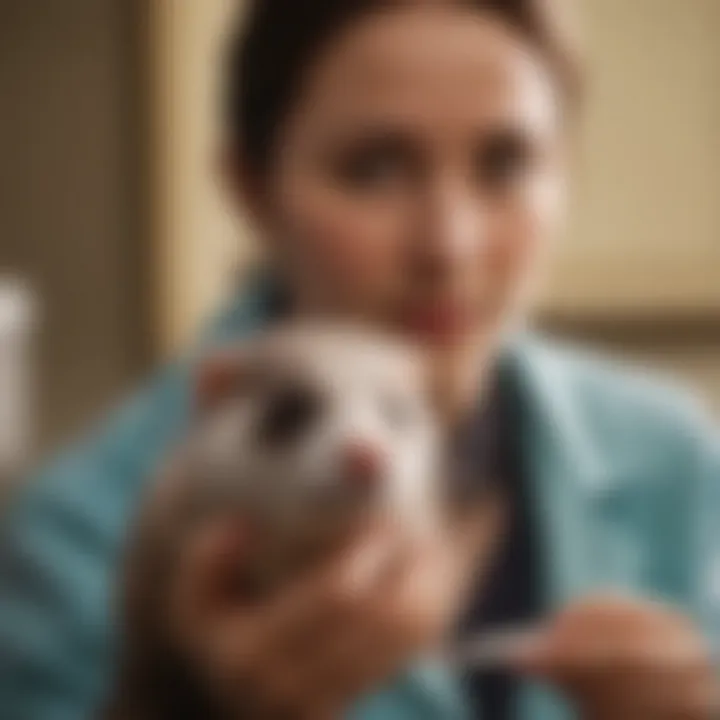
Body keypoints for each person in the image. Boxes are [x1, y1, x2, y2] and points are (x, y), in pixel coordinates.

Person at [1, 1, 718, 718]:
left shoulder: (676, 460)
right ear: (251, 188)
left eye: (505, 164)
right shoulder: (75, 540)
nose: (449, 246)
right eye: (374, 170)